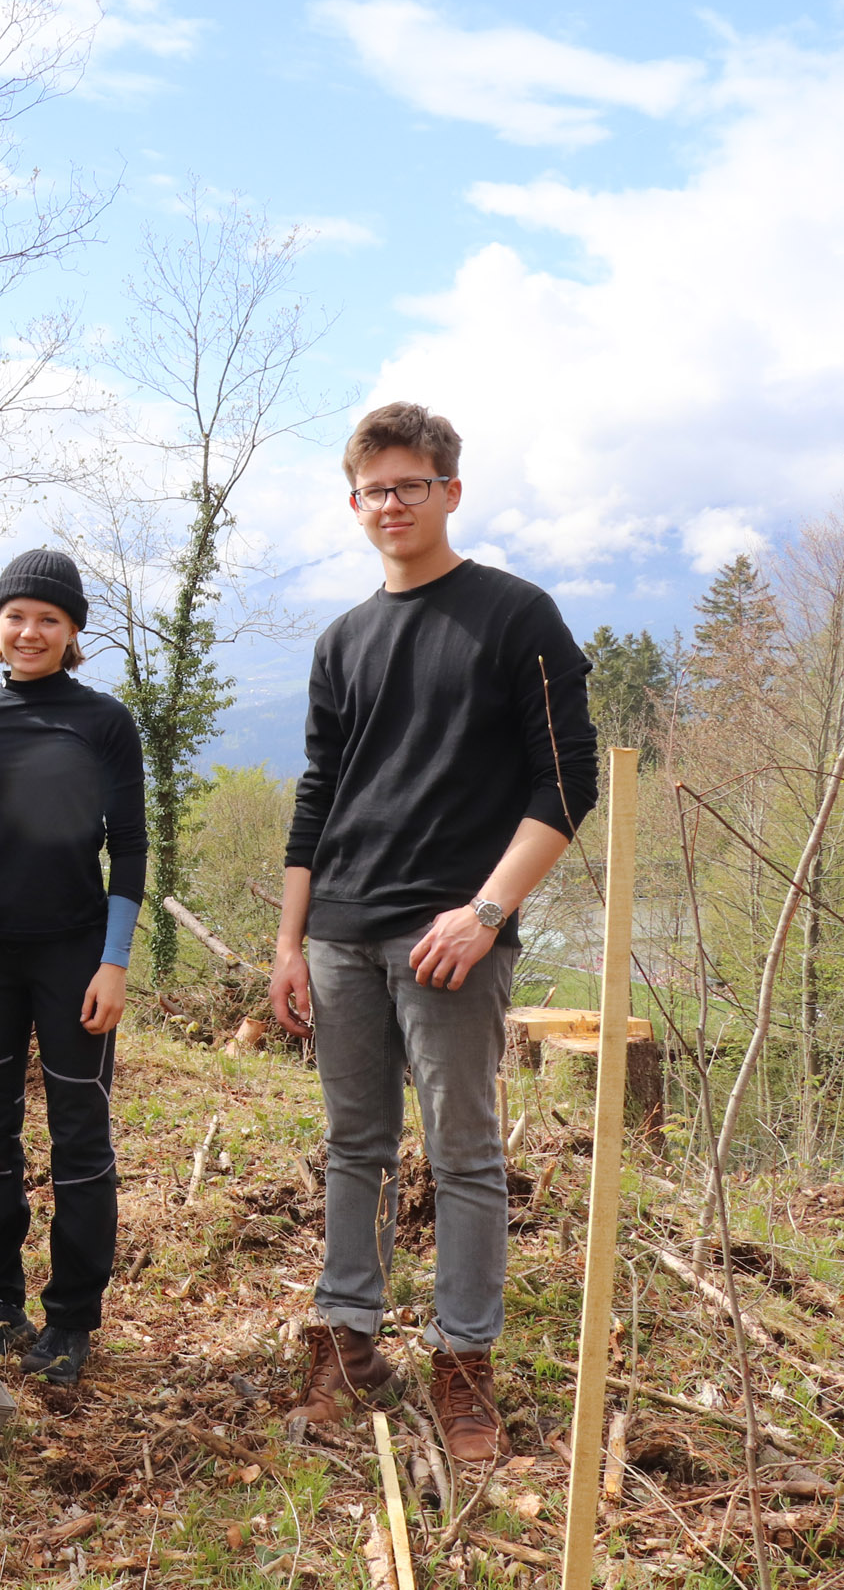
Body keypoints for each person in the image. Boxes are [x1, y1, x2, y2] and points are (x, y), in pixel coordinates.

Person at [269, 402, 596, 1462]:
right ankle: (347, 1344)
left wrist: (486, 910)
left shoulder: (515, 616)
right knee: (351, 1148)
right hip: (340, 934)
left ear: (450, 491)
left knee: (462, 1155)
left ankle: (464, 1366)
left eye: (413, 484)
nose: (392, 503)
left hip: (451, 933)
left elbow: (565, 782)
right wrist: (288, 941)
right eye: (375, 488)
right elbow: (316, 795)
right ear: (353, 501)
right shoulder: (342, 639)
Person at [0, 551, 144, 1384]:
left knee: (80, 1135)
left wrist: (114, 963)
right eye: (17, 615)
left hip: (75, 951)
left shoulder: (104, 721)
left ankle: (73, 1318)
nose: (30, 631)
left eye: (49, 618)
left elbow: (128, 845)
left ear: (74, 630)